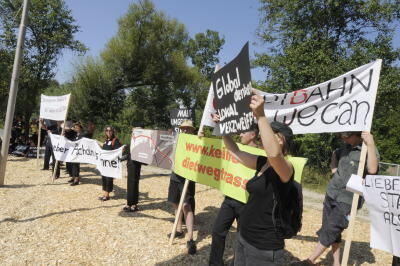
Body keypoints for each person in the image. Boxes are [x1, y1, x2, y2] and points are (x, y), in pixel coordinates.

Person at [222, 90, 295, 265]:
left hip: (264, 247)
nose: (262, 135)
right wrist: (223, 129)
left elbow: (275, 155)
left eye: (270, 132)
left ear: (281, 140)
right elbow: (236, 152)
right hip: (244, 236)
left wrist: (260, 115)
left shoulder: (286, 167)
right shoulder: (263, 161)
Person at [298, 131, 379, 266]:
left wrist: (370, 143)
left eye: (346, 137)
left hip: (349, 198)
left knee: (332, 228)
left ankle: (309, 261)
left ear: (357, 134)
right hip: (332, 192)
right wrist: (334, 169)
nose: (344, 140)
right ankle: (337, 263)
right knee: (330, 229)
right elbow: (335, 154)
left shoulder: (368, 148)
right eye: (342, 137)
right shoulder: (344, 148)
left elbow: (372, 170)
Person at [209, 121, 260, 266]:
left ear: (253, 134)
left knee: (242, 239)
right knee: (217, 231)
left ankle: (236, 263)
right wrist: (218, 125)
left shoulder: (262, 154)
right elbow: (224, 147)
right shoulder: (236, 149)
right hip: (230, 199)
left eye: (243, 132)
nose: (240, 134)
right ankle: (215, 263)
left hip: (247, 204)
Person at [167, 120, 197, 255]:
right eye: (183, 128)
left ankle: (190, 237)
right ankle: (178, 230)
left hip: (187, 178)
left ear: (192, 130)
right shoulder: (177, 140)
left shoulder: (196, 142)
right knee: (175, 203)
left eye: (187, 129)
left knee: (186, 206)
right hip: (175, 176)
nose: (185, 130)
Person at [99, 126, 122, 201]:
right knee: (104, 178)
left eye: (110, 130)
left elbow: (117, 151)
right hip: (105, 164)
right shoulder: (105, 140)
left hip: (111, 164)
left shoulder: (115, 140)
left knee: (109, 178)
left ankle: (107, 194)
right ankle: (105, 193)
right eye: (107, 130)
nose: (108, 132)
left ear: (113, 132)